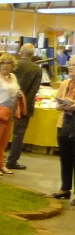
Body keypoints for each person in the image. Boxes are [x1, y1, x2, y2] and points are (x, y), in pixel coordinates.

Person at [6, 43, 43, 170]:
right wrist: (24, 103)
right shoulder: (37, 69)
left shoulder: (12, 65)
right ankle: (12, 160)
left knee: (2, 131)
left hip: (7, 103)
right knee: (18, 134)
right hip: (25, 106)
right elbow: (34, 90)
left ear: (21, 53)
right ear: (33, 54)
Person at [49, 58, 75, 204]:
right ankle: (65, 188)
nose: (70, 68)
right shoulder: (65, 84)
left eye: (74, 65)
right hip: (64, 124)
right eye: (70, 65)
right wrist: (63, 105)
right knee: (65, 157)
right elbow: (56, 104)